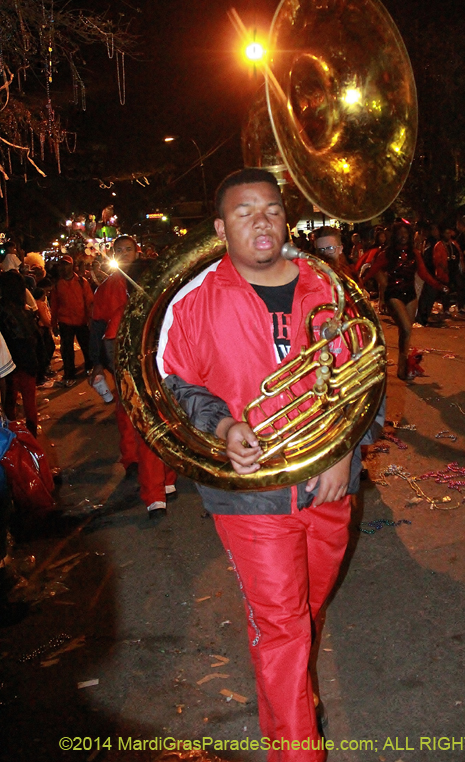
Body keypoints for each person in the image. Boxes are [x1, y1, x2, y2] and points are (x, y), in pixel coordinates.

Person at [158, 169, 382, 762]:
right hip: (251, 497)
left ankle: (296, 707)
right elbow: (174, 386)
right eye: (243, 212)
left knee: (305, 611)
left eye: (272, 209)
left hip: (330, 484)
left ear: (286, 218)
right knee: (282, 626)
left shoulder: (328, 288)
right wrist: (224, 426)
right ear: (219, 228)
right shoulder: (195, 302)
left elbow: (367, 377)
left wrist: (345, 450)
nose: (261, 221)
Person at [88, 235, 177, 517]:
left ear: (137, 252)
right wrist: (97, 364)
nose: (125, 255)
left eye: (128, 250)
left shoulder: (156, 277)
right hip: (122, 352)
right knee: (136, 414)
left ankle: (166, 479)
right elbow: (97, 326)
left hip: (155, 351)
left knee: (162, 415)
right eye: (119, 251)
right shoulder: (108, 287)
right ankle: (147, 481)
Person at [366, 222, 445, 379]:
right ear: (395, 236)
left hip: (410, 294)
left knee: (406, 333)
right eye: (400, 233)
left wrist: (439, 285)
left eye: (406, 233)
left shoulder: (414, 254)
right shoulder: (387, 254)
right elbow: (373, 270)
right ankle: (403, 367)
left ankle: (402, 368)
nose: (403, 236)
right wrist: (358, 283)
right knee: (407, 328)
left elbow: (423, 273)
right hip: (393, 294)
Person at [0, 271, 41, 436]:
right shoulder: (25, 310)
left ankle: (13, 438)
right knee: (29, 402)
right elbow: (35, 338)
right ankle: (31, 439)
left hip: (10, 364)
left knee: (9, 404)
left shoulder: (3, 309)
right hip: (27, 362)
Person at [49, 254, 94, 387]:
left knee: (86, 346)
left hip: (81, 320)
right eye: (62, 264)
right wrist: (54, 324)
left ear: (72, 265)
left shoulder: (81, 282)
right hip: (65, 321)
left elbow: (89, 301)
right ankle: (69, 374)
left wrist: (90, 318)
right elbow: (54, 305)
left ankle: (90, 366)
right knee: (67, 349)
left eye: (67, 264)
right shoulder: (58, 285)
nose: (64, 267)